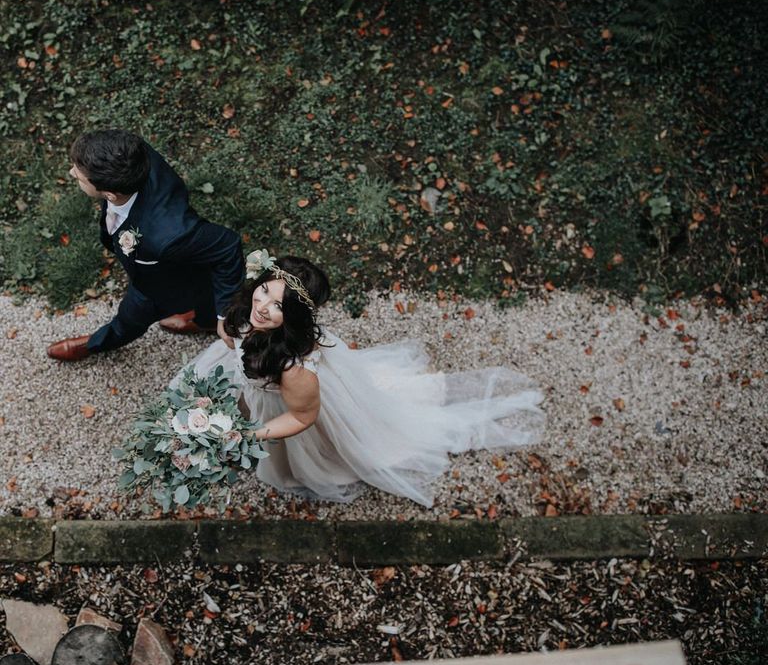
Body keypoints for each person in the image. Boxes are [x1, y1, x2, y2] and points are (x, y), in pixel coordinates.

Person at [185, 251, 545, 507]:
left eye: (278, 305)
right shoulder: (248, 312)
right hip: (256, 386)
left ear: (293, 316)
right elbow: (230, 333)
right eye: (264, 291)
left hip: (284, 406)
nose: (262, 307)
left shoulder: (294, 371)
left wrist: (250, 435)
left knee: (346, 447)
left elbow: (301, 417)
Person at [47, 130, 244, 361]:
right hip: (183, 262)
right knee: (204, 292)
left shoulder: (167, 235)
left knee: (130, 319)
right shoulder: (129, 154)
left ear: (109, 194)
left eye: (79, 176)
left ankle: (96, 344)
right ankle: (202, 319)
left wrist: (225, 315)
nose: (72, 172)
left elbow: (227, 246)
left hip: (158, 287)